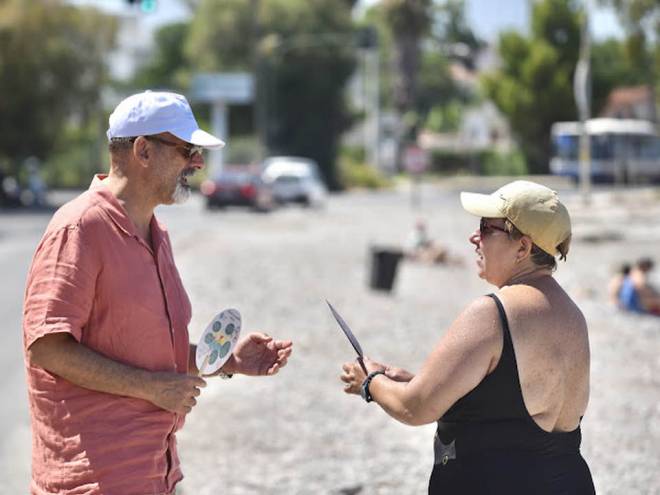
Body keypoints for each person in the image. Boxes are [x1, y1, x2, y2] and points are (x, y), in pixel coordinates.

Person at [22, 91, 293, 495]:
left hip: (154, 472)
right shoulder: (79, 228)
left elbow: (143, 350)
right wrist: (150, 388)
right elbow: (47, 347)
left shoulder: (156, 233)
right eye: (186, 150)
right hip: (93, 480)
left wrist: (226, 361)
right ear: (143, 150)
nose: (198, 163)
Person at [340, 180, 595, 494]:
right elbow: (512, 408)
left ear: (523, 247)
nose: (474, 238)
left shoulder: (492, 314)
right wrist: (419, 380)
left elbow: (415, 408)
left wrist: (370, 381)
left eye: (487, 228)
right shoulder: (572, 316)